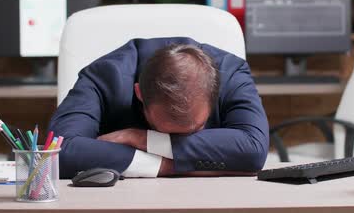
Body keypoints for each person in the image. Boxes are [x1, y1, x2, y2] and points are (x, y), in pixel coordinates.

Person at [49, 37, 269, 179]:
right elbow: (57, 153)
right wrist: (167, 166)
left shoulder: (230, 73)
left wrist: (141, 138)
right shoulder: (103, 77)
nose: (175, 140)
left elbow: (254, 150)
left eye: (194, 131)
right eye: (165, 132)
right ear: (139, 94)